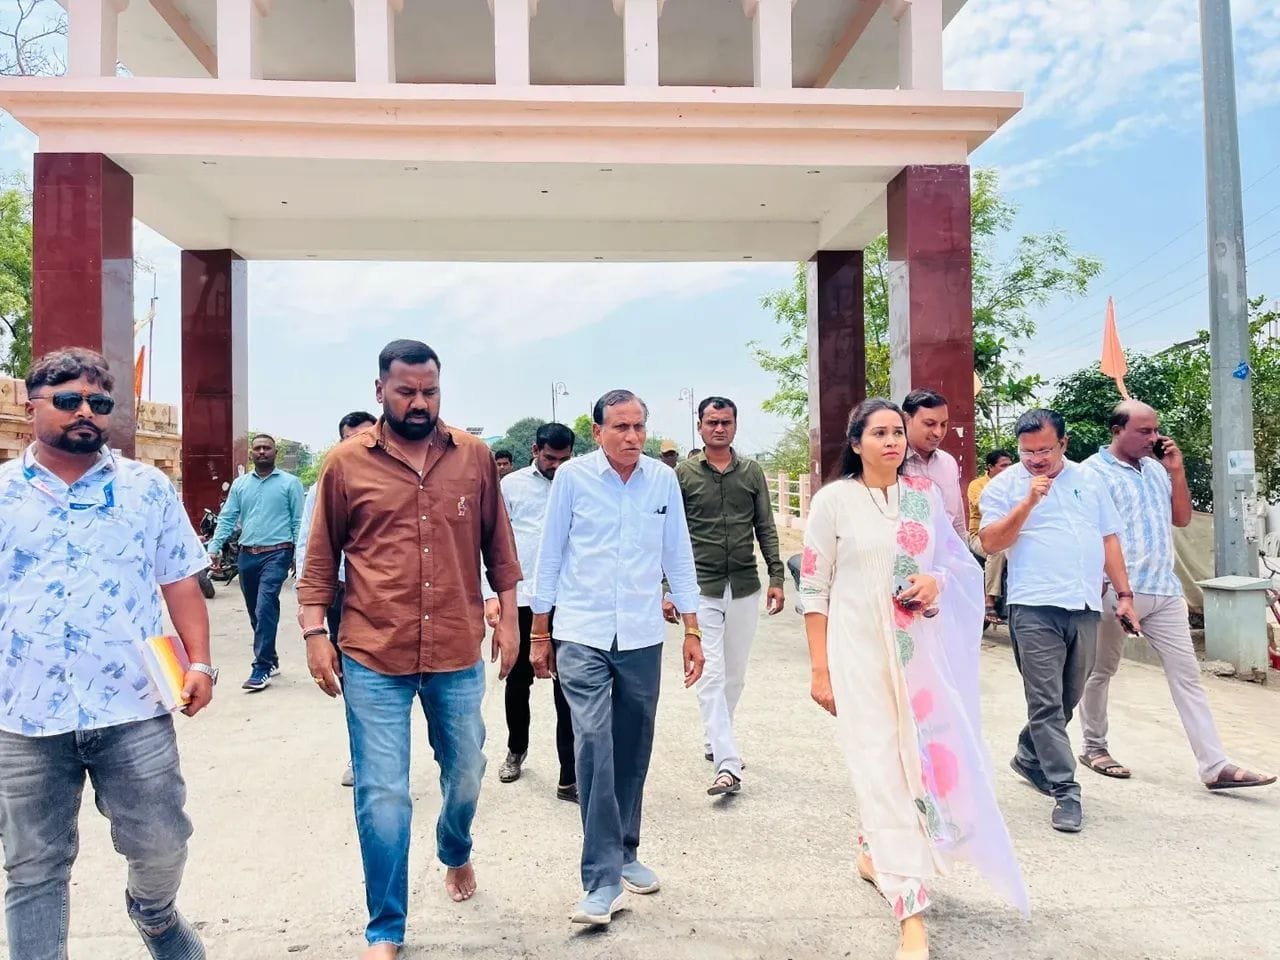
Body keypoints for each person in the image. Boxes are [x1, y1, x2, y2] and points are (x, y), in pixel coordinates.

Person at [297, 340, 521, 960]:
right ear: (380, 391)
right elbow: (320, 559)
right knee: (383, 792)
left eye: (430, 392)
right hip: (374, 651)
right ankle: (386, 927)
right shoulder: (345, 463)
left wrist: (508, 622)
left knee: (468, 770)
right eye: (406, 392)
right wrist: (314, 634)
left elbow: (499, 547)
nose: (419, 403)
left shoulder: (473, 456)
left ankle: (455, 846)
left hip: (455, 647)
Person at [0, 348, 216, 960]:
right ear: (31, 406)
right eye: (68, 400)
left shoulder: (147, 489)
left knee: (163, 841)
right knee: (32, 865)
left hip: (132, 705)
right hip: (23, 715)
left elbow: (180, 581)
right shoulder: (3, 493)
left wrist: (200, 662)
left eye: (98, 402)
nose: (85, 412)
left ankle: (154, 914)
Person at [800, 398, 1027, 960]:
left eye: (897, 433)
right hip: (857, 653)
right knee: (879, 764)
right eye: (879, 433)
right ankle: (911, 910)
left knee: (918, 763)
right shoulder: (833, 502)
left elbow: (954, 562)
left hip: (917, 655)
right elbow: (814, 588)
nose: (892, 442)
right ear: (856, 442)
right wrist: (820, 670)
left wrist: (935, 584)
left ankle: (874, 852)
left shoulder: (924, 497)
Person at [529, 389, 705, 927]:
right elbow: (550, 554)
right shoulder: (573, 478)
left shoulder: (662, 480)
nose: (632, 437)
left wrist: (692, 628)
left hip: (641, 634)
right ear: (597, 430)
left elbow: (677, 553)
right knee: (593, 743)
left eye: (638, 427)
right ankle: (601, 880)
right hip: (581, 632)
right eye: (621, 427)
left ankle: (626, 849)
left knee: (633, 744)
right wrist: (540, 631)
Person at [1079, 401, 1275, 791]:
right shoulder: (1090, 473)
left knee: (1187, 677)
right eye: (1144, 431)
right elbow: (1088, 533)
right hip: (1116, 590)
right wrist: (1104, 586)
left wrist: (1176, 471)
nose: (1153, 438)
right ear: (1117, 431)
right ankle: (1094, 747)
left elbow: (1181, 518)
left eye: (1155, 430)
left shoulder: (1156, 469)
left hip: (1164, 589)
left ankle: (1214, 765)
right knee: (1100, 671)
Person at [979, 408, 1140, 834]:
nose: (1035, 459)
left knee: (1068, 697)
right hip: (1033, 607)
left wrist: (1124, 595)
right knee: (1046, 703)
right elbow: (991, 541)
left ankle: (1029, 754)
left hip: (1084, 604)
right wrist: (1028, 502)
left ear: (1063, 444)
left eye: (1044, 450)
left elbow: (1108, 539)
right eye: (1027, 452)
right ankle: (1066, 791)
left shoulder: (1090, 480)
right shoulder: (1004, 486)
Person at [666, 396, 785, 797]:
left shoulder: (751, 472)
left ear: (735, 425)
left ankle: (715, 739)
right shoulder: (682, 475)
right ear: (700, 426)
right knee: (711, 672)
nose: (719, 428)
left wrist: (776, 575)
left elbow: (765, 525)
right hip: (700, 588)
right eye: (712, 422)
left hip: (744, 586)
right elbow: (670, 535)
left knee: (735, 674)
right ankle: (727, 763)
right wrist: (667, 589)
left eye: (726, 422)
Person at [489, 422, 579, 802]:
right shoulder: (511, 486)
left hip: (565, 600)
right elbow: (493, 542)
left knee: (568, 687)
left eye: (564, 459)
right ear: (535, 450)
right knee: (517, 680)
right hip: (523, 599)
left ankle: (570, 774)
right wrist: (493, 596)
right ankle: (516, 749)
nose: (556, 466)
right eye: (550, 458)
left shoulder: (577, 482)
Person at [295, 409, 378, 787]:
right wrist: (308, 606)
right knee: (355, 679)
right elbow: (308, 546)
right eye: (351, 439)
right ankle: (361, 756)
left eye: (367, 436)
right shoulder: (325, 484)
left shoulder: (401, 479)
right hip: (343, 597)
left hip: (390, 597)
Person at [207, 432, 304, 691]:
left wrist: (299, 555)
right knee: (255, 611)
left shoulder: (290, 483)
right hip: (247, 555)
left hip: (278, 553)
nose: (262, 452)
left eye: (267, 448)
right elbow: (228, 517)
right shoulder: (240, 485)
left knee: (265, 607)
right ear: (252, 453)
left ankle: (261, 667)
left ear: (275, 453)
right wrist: (214, 547)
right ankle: (271, 658)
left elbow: (299, 521)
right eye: (258, 448)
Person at [901, 389, 966, 541]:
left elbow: (957, 520)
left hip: (945, 550)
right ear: (906, 419)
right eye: (930, 424)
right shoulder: (892, 462)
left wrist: (963, 551)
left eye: (943, 424)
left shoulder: (948, 463)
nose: (938, 432)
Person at [967, 449, 1014, 625]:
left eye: (1010, 465)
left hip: (1008, 536)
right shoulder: (977, 485)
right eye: (1003, 466)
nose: (1008, 469)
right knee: (997, 551)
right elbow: (983, 506)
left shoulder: (1015, 484)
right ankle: (989, 600)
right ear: (990, 467)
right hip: (980, 537)